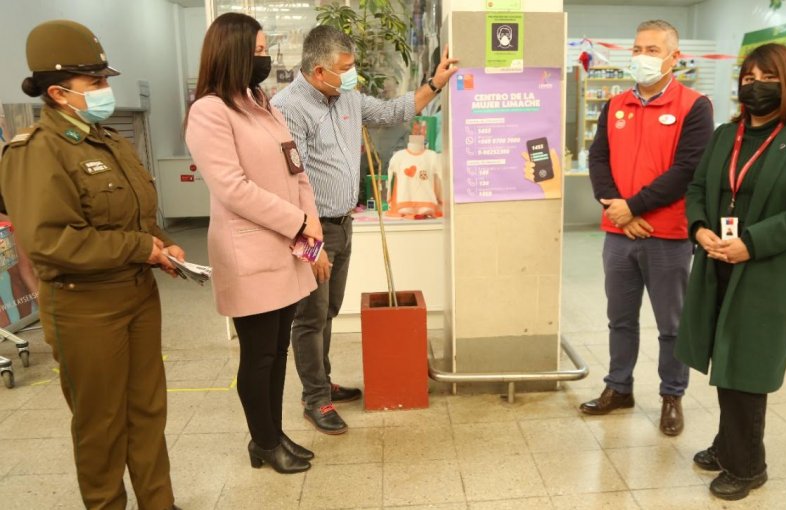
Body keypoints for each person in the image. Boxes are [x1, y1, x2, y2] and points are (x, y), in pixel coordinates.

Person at [0, 20, 182, 509]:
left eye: (105, 80)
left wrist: (162, 243)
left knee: (147, 411)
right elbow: (50, 243)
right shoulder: (35, 152)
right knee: (100, 423)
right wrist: (138, 248)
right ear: (59, 92)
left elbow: (137, 213)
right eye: (95, 82)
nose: (106, 90)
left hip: (138, 296)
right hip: (86, 308)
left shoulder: (110, 141)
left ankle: (158, 503)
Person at [272, 25, 457, 434]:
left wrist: (434, 84)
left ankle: (323, 380)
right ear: (320, 71)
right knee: (309, 316)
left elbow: (392, 112)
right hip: (312, 231)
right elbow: (287, 184)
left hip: (343, 224)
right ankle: (315, 400)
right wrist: (308, 244)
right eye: (347, 67)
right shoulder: (286, 108)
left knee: (329, 310)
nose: (353, 74)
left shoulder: (347, 96)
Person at [676, 43, 786, 501]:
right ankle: (729, 441)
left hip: (766, 269)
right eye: (748, 77)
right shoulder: (727, 135)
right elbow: (697, 187)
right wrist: (700, 228)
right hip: (716, 262)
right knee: (722, 355)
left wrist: (753, 243)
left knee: (747, 364)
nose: (755, 85)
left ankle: (748, 466)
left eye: (768, 77)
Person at [185, 12, 322, 474]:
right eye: (259, 51)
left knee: (277, 350)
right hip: (250, 252)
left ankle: (274, 432)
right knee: (259, 355)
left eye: (266, 50)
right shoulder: (209, 111)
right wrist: (298, 222)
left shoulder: (263, 104)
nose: (265, 58)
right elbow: (233, 188)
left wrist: (312, 236)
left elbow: (295, 171)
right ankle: (263, 442)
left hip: (287, 250)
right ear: (234, 52)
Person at [581, 19, 714, 437]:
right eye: (637, 48)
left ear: (674, 57)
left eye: (653, 50)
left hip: (667, 235)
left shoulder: (694, 105)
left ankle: (672, 395)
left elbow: (687, 169)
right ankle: (618, 387)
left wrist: (634, 208)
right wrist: (617, 208)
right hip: (618, 234)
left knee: (671, 324)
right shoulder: (616, 104)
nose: (641, 56)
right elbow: (598, 159)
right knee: (619, 319)